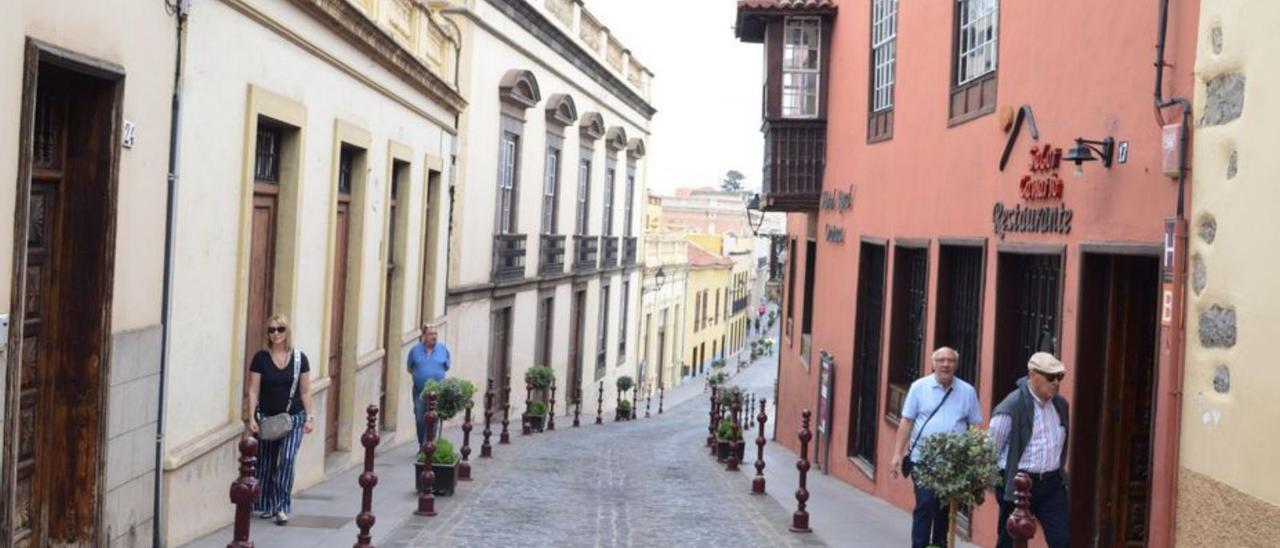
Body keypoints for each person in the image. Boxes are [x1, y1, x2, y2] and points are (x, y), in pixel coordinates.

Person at [889, 347, 983, 548]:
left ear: (956, 364)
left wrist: (976, 458)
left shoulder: (967, 391)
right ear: (933, 364)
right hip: (923, 460)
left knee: (945, 509)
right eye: (941, 360)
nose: (946, 364)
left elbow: (975, 425)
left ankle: (939, 544)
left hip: (953, 464)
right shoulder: (919, 387)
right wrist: (897, 454)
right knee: (926, 504)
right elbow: (906, 422)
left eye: (950, 360)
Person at [990, 352, 1070, 548]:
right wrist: (1001, 482)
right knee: (1008, 541)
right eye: (1050, 377)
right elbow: (991, 449)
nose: (1056, 383)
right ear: (1033, 375)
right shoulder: (1011, 406)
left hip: (1051, 483)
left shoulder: (1060, 405)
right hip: (1018, 484)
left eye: (1059, 377)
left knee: (1061, 541)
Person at [246, 313, 314, 525]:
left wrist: (310, 417)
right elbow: (253, 390)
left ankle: (282, 506)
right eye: (272, 330)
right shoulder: (260, 358)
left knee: (286, 459)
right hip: (267, 419)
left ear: (287, 332)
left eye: (280, 329)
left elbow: (305, 391)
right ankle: (266, 504)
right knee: (265, 463)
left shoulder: (299, 359)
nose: (276, 334)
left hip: (293, 419)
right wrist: (251, 418)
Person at [407, 323, 451, 446]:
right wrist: (420, 376)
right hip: (420, 391)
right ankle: (422, 443)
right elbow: (410, 368)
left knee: (434, 418)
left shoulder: (443, 349)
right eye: (431, 334)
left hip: (437, 392)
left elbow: (446, 366)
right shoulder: (415, 351)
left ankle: (430, 444)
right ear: (424, 336)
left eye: (435, 334)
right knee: (420, 418)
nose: (434, 336)